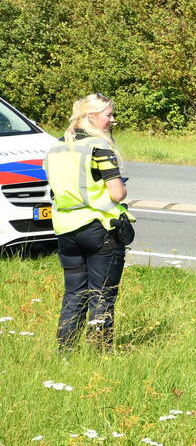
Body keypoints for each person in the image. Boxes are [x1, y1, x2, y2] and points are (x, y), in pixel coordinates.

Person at [43, 93, 135, 351]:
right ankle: (101, 352)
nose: (113, 120)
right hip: (99, 230)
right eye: (109, 115)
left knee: (74, 293)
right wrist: (121, 190)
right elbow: (116, 193)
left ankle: (65, 352)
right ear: (91, 116)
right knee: (102, 295)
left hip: (66, 230)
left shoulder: (56, 147)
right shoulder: (99, 147)